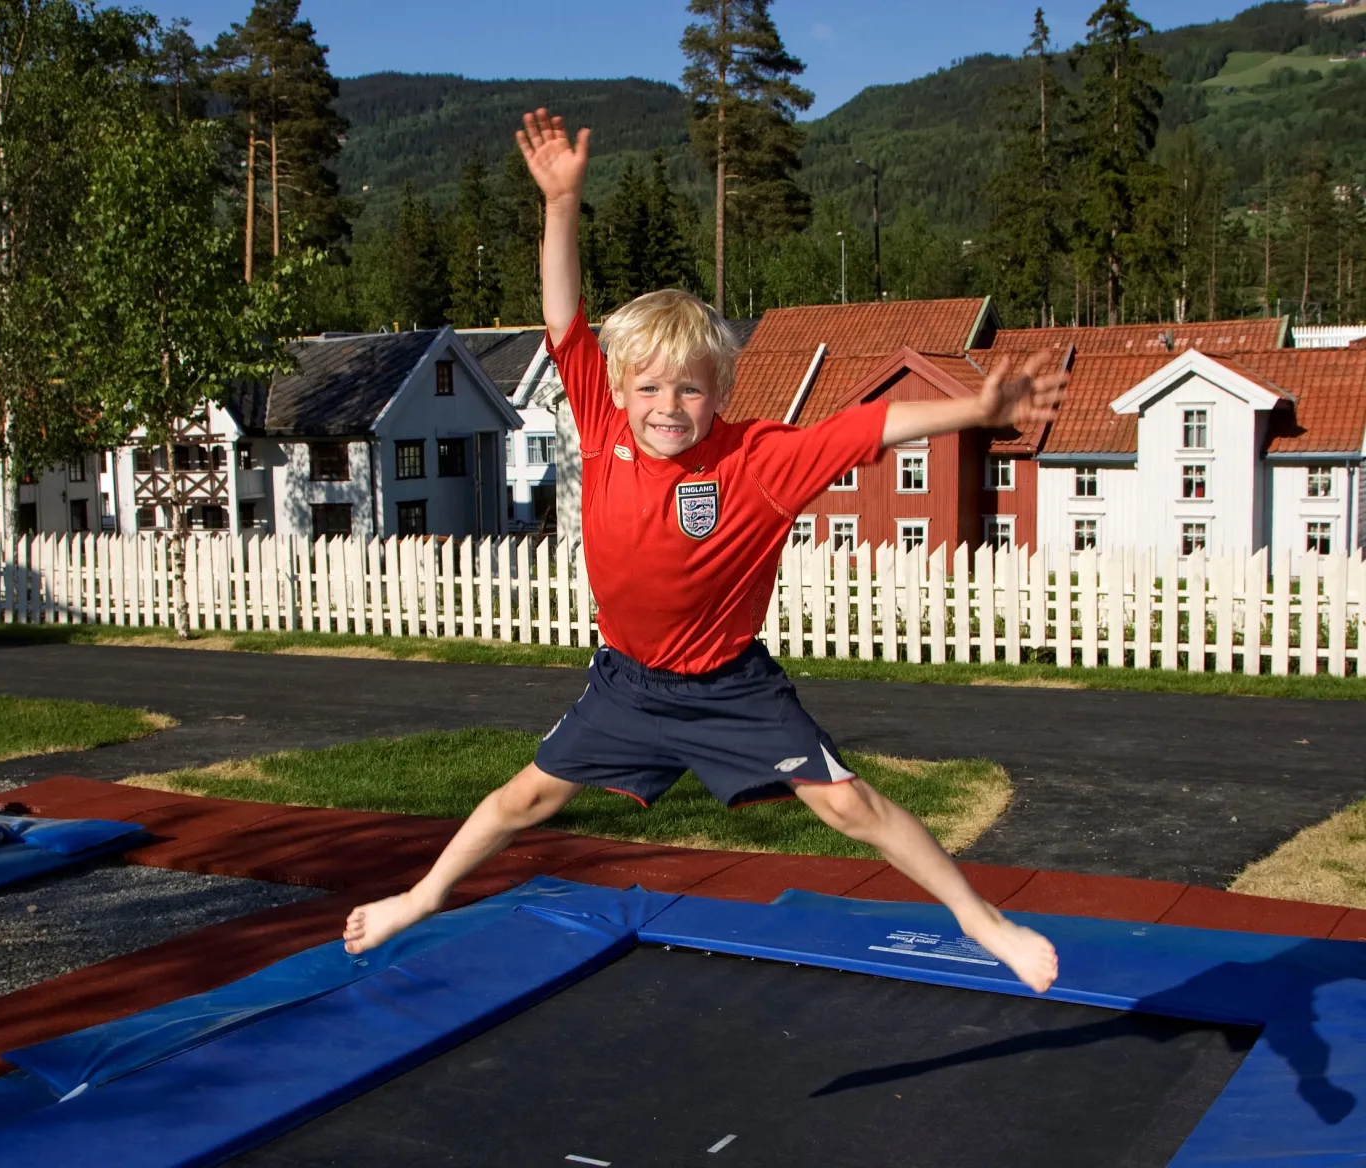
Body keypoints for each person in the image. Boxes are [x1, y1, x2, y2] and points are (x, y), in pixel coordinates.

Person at [344, 108, 1065, 994]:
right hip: (629, 682)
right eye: (648, 386)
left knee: (848, 803)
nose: (666, 406)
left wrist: (976, 410)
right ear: (616, 387)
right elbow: (563, 313)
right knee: (524, 797)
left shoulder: (757, 459)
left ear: (721, 387)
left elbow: (871, 423)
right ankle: (421, 896)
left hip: (730, 686)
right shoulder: (601, 417)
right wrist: (562, 204)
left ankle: (979, 917)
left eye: (689, 388)